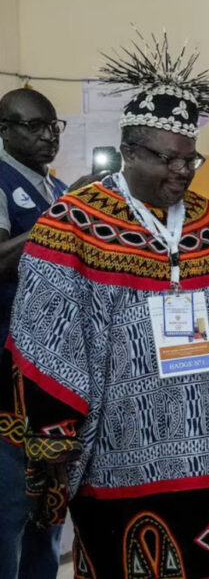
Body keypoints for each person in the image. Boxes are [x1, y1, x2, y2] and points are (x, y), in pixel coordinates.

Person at [8, 35, 209, 577]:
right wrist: (56, 432)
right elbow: (43, 334)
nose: (183, 172)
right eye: (168, 159)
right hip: (118, 452)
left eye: (191, 159)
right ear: (129, 152)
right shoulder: (72, 223)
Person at [0, 88, 76, 579]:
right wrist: (62, 220)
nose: (49, 135)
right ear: (4, 129)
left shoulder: (57, 186)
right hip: (8, 374)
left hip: (54, 371)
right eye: (34, 126)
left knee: (48, 510)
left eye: (54, 125)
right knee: (8, 509)